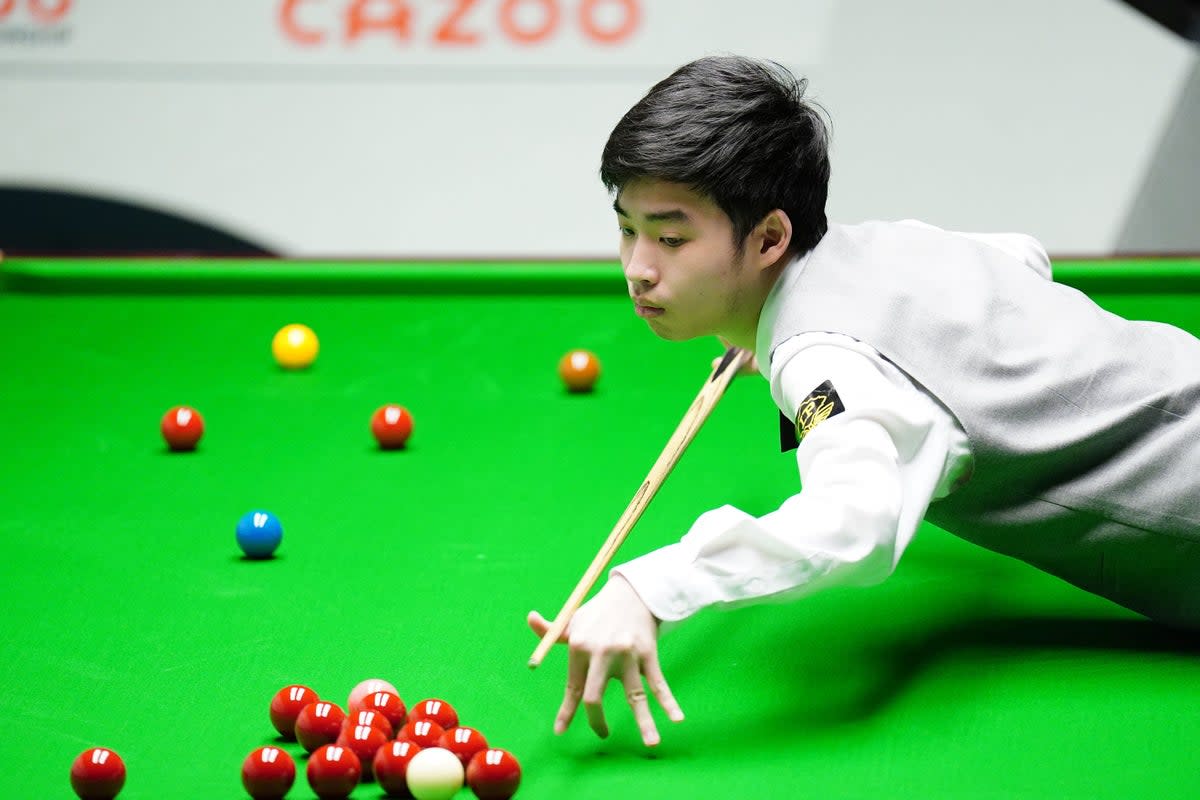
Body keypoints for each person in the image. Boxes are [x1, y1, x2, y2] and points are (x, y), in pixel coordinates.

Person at [527, 54, 1200, 748]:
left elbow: (856, 526)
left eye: (671, 238)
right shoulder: (889, 245)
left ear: (769, 238)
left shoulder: (820, 359)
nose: (638, 268)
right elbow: (1020, 255)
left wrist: (652, 588)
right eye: (628, 228)